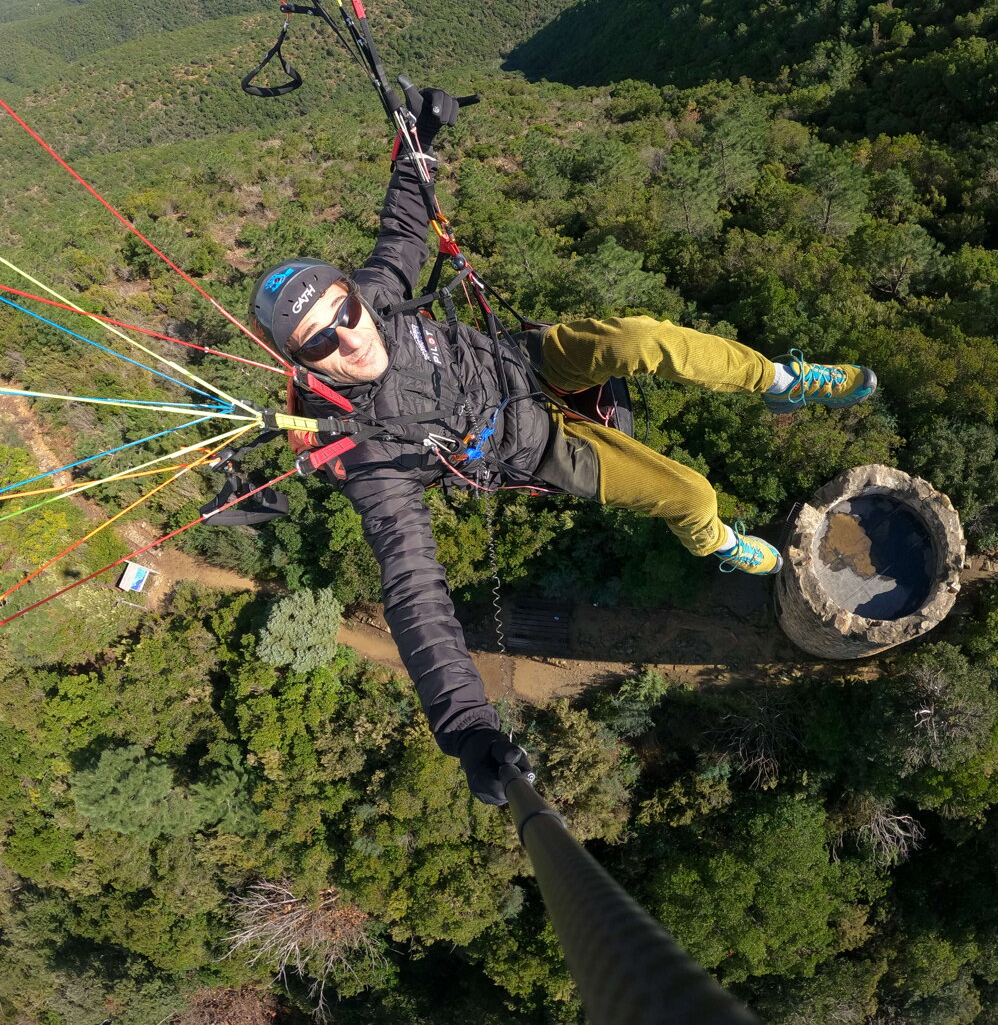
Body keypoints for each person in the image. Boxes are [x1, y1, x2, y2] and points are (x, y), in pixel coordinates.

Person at [249, 83, 877, 805]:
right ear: (302, 363)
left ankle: (779, 378)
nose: (349, 336)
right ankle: (718, 544)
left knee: (640, 338)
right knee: (690, 494)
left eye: (344, 310)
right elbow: (414, 595)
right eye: (320, 340)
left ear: (355, 297)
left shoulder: (380, 300)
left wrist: (418, 142)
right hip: (533, 447)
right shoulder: (371, 457)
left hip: (522, 361)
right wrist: (467, 729)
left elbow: (402, 228)